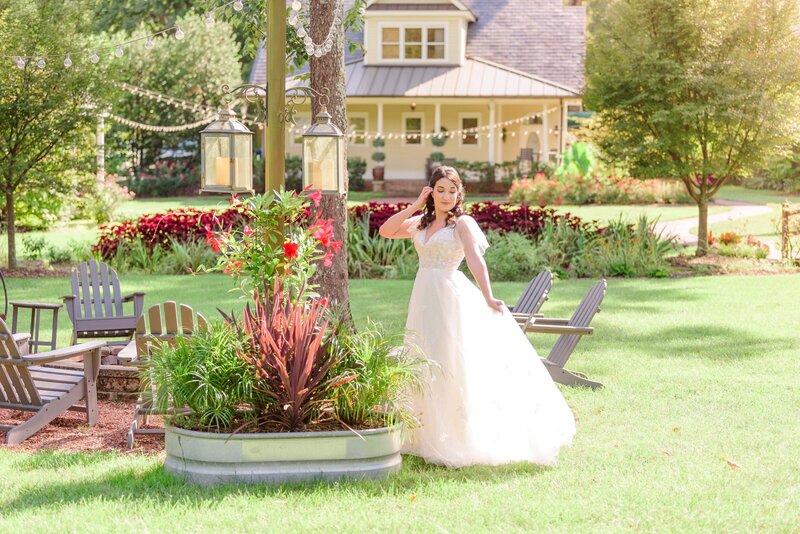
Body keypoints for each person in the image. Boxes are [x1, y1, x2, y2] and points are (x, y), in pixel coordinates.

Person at [378, 166, 576, 467]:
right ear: (432, 191)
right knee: (423, 356)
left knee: (450, 358)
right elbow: (386, 230)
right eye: (440, 190)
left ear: (460, 194)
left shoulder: (462, 224)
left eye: (452, 190)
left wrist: (487, 295)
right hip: (423, 297)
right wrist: (416, 204)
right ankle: (425, 431)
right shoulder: (421, 222)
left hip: (449, 293)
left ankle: (459, 434)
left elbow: (474, 259)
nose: (446, 196)